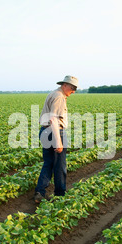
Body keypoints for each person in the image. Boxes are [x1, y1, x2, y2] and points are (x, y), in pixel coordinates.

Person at [34, 75, 78, 203]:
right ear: (64, 85)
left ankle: (40, 192)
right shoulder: (59, 97)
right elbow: (54, 119)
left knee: (48, 163)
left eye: (75, 88)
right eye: (72, 87)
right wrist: (58, 140)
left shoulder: (53, 93)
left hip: (45, 131)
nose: (73, 91)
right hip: (55, 132)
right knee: (59, 165)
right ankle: (59, 195)